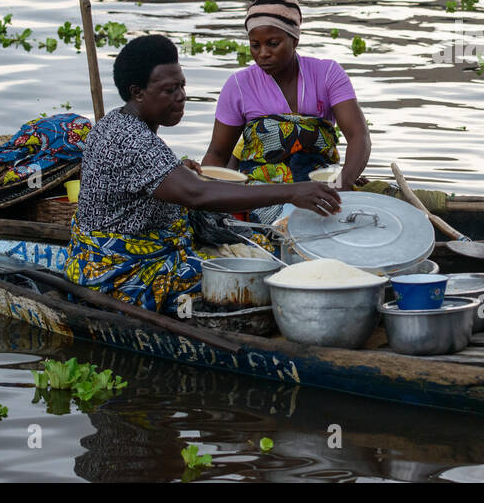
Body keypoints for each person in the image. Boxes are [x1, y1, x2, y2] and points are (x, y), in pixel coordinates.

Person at [65, 34, 340, 315]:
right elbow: (198, 194)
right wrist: (293, 191)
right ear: (137, 93)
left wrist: (177, 169)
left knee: (258, 248)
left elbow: (150, 180)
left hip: (135, 253)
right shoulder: (130, 139)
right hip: (120, 273)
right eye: (170, 90)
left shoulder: (119, 122)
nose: (181, 96)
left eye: (182, 85)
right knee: (261, 281)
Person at [201, 0, 371, 225]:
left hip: (321, 187)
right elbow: (217, 153)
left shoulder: (327, 74)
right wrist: (205, 197)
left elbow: (358, 135)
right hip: (260, 194)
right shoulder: (239, 85)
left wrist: (342, 183)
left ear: (295, 39)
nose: (262, 54)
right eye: (254, 45)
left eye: (273, 44)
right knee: (282, 227)